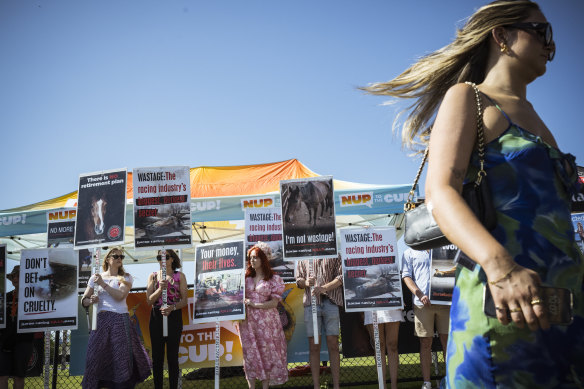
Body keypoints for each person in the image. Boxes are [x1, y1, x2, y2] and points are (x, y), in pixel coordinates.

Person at [364, 1, 583, 387]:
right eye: (542, 32)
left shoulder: (536, 117)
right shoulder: (469, 97)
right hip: (501, 306)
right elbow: (440, 192)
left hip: (562, 311)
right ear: (501, 35)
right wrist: (501, 267)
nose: (551, 46)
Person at [81, 247, 151, 388]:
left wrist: (102, 284)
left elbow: (120, 296)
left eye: (121, 256)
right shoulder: (95, 278)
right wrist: (90, 301)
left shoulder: (126, 277)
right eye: (116, 256)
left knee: (121, 358)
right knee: (94, 357)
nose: (119, 258)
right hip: (100, 321)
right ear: (107, 259)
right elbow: (84, 300)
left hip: (120, 320)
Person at [237, 242, 288, 389]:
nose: (252, 260)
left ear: (263, 259)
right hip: (247, 321)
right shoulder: (244, 278)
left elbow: (273, 303)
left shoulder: (274, 279)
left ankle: (265, 387)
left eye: (256, 258)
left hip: (267, 322)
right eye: (250, 258)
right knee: (249, 353)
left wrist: (255, 305)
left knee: (266, 353)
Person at [401, 248, 449, 389]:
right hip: (421, 304)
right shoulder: (409, 252)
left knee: (448, 342)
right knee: (425, 343)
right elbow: (406, 276)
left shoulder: (443, 248)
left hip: (444, 302)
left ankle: (451, 379)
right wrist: (420, 294)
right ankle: (427, 383)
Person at [296, 256, 343, 389]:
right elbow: (298, 280)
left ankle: (336, 386)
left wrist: (324, 288)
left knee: (333, 344)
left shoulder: (334, 252)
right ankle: (316, 386)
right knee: (314, 345)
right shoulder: (303, 253)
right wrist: (305, 283)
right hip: (311, 304)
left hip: (331, 301)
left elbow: (341, 277)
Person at [146, 249, 188, 389]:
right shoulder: (152, 276)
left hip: (173, 315)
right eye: (159, 257)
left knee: (172, 357)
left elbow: (184, 301)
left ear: (172, 259)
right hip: (157, 316)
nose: (162, 260)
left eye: (166, 257)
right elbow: (149, 300)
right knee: (157, 358)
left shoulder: (179, 276)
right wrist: (159, 289)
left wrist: (172, 308)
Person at [0, 266, 33, 389]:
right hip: (4, 340)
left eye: (18, 276)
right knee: (2, 375)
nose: (15, 278)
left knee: (19, 376)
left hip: (24, 340)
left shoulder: (32, 298)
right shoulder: (5, 297)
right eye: (13, 276)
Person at [363, 309, 401, 389]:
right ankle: (382, 386)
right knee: (379, 346)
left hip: (392, 306)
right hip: (372, 306)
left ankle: (394, 386)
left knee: (392, 345)